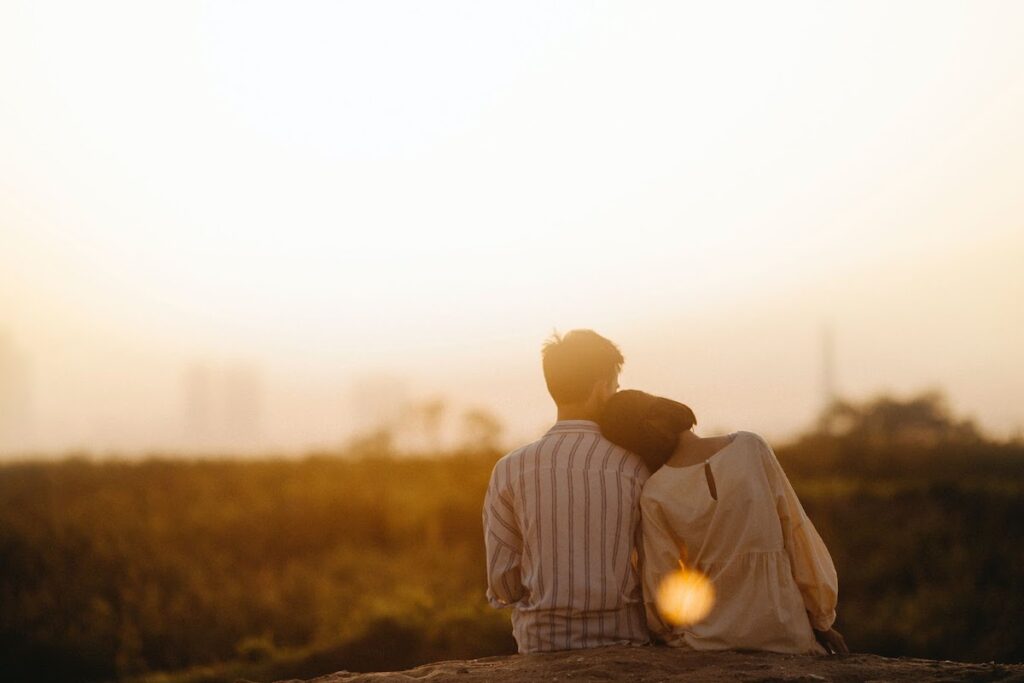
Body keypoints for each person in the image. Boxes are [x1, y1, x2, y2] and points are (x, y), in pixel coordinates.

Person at [599, 390, 848, 655]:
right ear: (667, 408)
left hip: (708, 638)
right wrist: (821, 620)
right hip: (784, 629)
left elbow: (663, 580)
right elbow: (797, 533)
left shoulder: (655, 493)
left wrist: (666, 631)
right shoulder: (751, 447)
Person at [482, 330, 650, 652]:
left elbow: (502, 582)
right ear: (602, 389)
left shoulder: (510, 469)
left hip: (541, 643)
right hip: (625, 640)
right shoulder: (635, 466)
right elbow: (654, 566)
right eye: (615, 386)